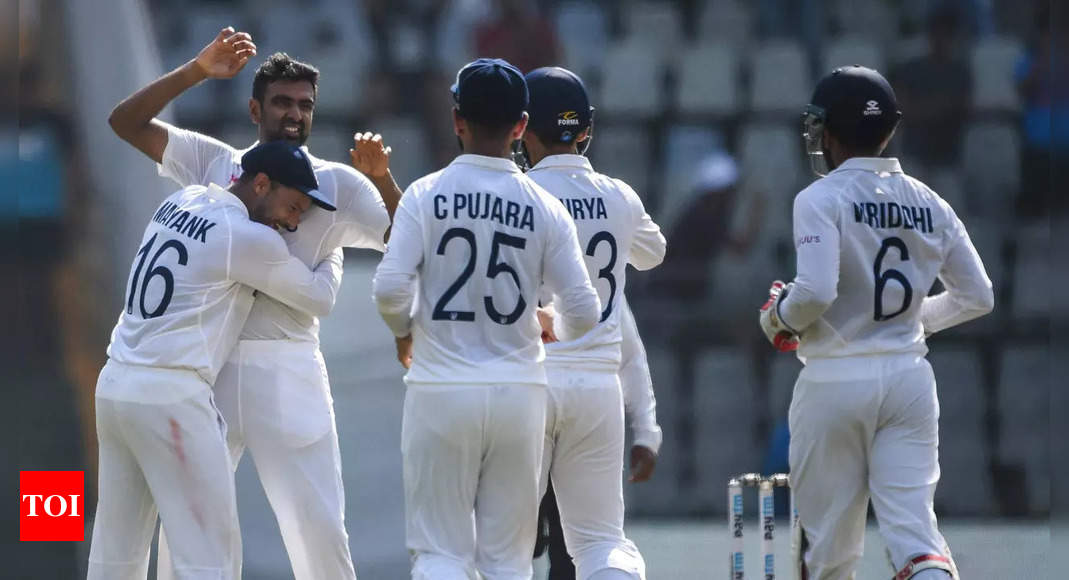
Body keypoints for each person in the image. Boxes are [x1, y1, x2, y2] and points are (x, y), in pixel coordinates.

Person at [107, 27, 400, 580]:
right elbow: (124, 122)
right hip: (209, 369)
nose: (295, 114)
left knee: (319, 535)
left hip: (287, 366)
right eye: (282, 102)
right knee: (185, 538)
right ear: (254, 107)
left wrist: (383, 182)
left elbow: (410, 241)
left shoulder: (339, 183)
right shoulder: (213, 163)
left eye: (305, 105)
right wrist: (195, 71)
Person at [758, 66, 994, 579]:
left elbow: (815, 293)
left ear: (831, 132)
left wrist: (778, 316)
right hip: (909, 378)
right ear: (887, 130)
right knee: (916, 537)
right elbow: (978, 296)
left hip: (834, 382)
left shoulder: (819, 198)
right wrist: (914, 321)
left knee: (830, 553)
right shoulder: (930, 201)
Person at [372, 58, 600, 580]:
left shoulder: (425, 195)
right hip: (519, 393)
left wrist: (406, 328)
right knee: (507, 563)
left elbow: (388, 290)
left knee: (440, 556)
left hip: (441, 390)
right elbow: (585, 313)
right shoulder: (544, 205)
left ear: (457, 120)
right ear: (520, 126)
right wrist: (551, 323)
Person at [88, 141, 344, 580]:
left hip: (115, 386)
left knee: (116, 551)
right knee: (209, 558)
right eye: (294, 206)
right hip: (172, 397)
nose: (295, 221)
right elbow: (318, 298)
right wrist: (332, 249)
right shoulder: (249, 238)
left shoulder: (179, 199)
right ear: (261, 183)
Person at [520, 66, 665, 580]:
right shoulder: (618, 194)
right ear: (585, 130)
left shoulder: (519, 192)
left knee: (506, 546)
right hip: (599, 385)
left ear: (523, 128)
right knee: (602, 542)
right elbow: (653, 253)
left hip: (532, 377)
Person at [533, 297, 663, 580]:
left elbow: (629, 353)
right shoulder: (595, 266)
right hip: (564, 405)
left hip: (534, 407)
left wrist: (646, 432)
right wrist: (646, 432)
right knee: (584, 544)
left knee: (559, 551)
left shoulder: (594, 274)